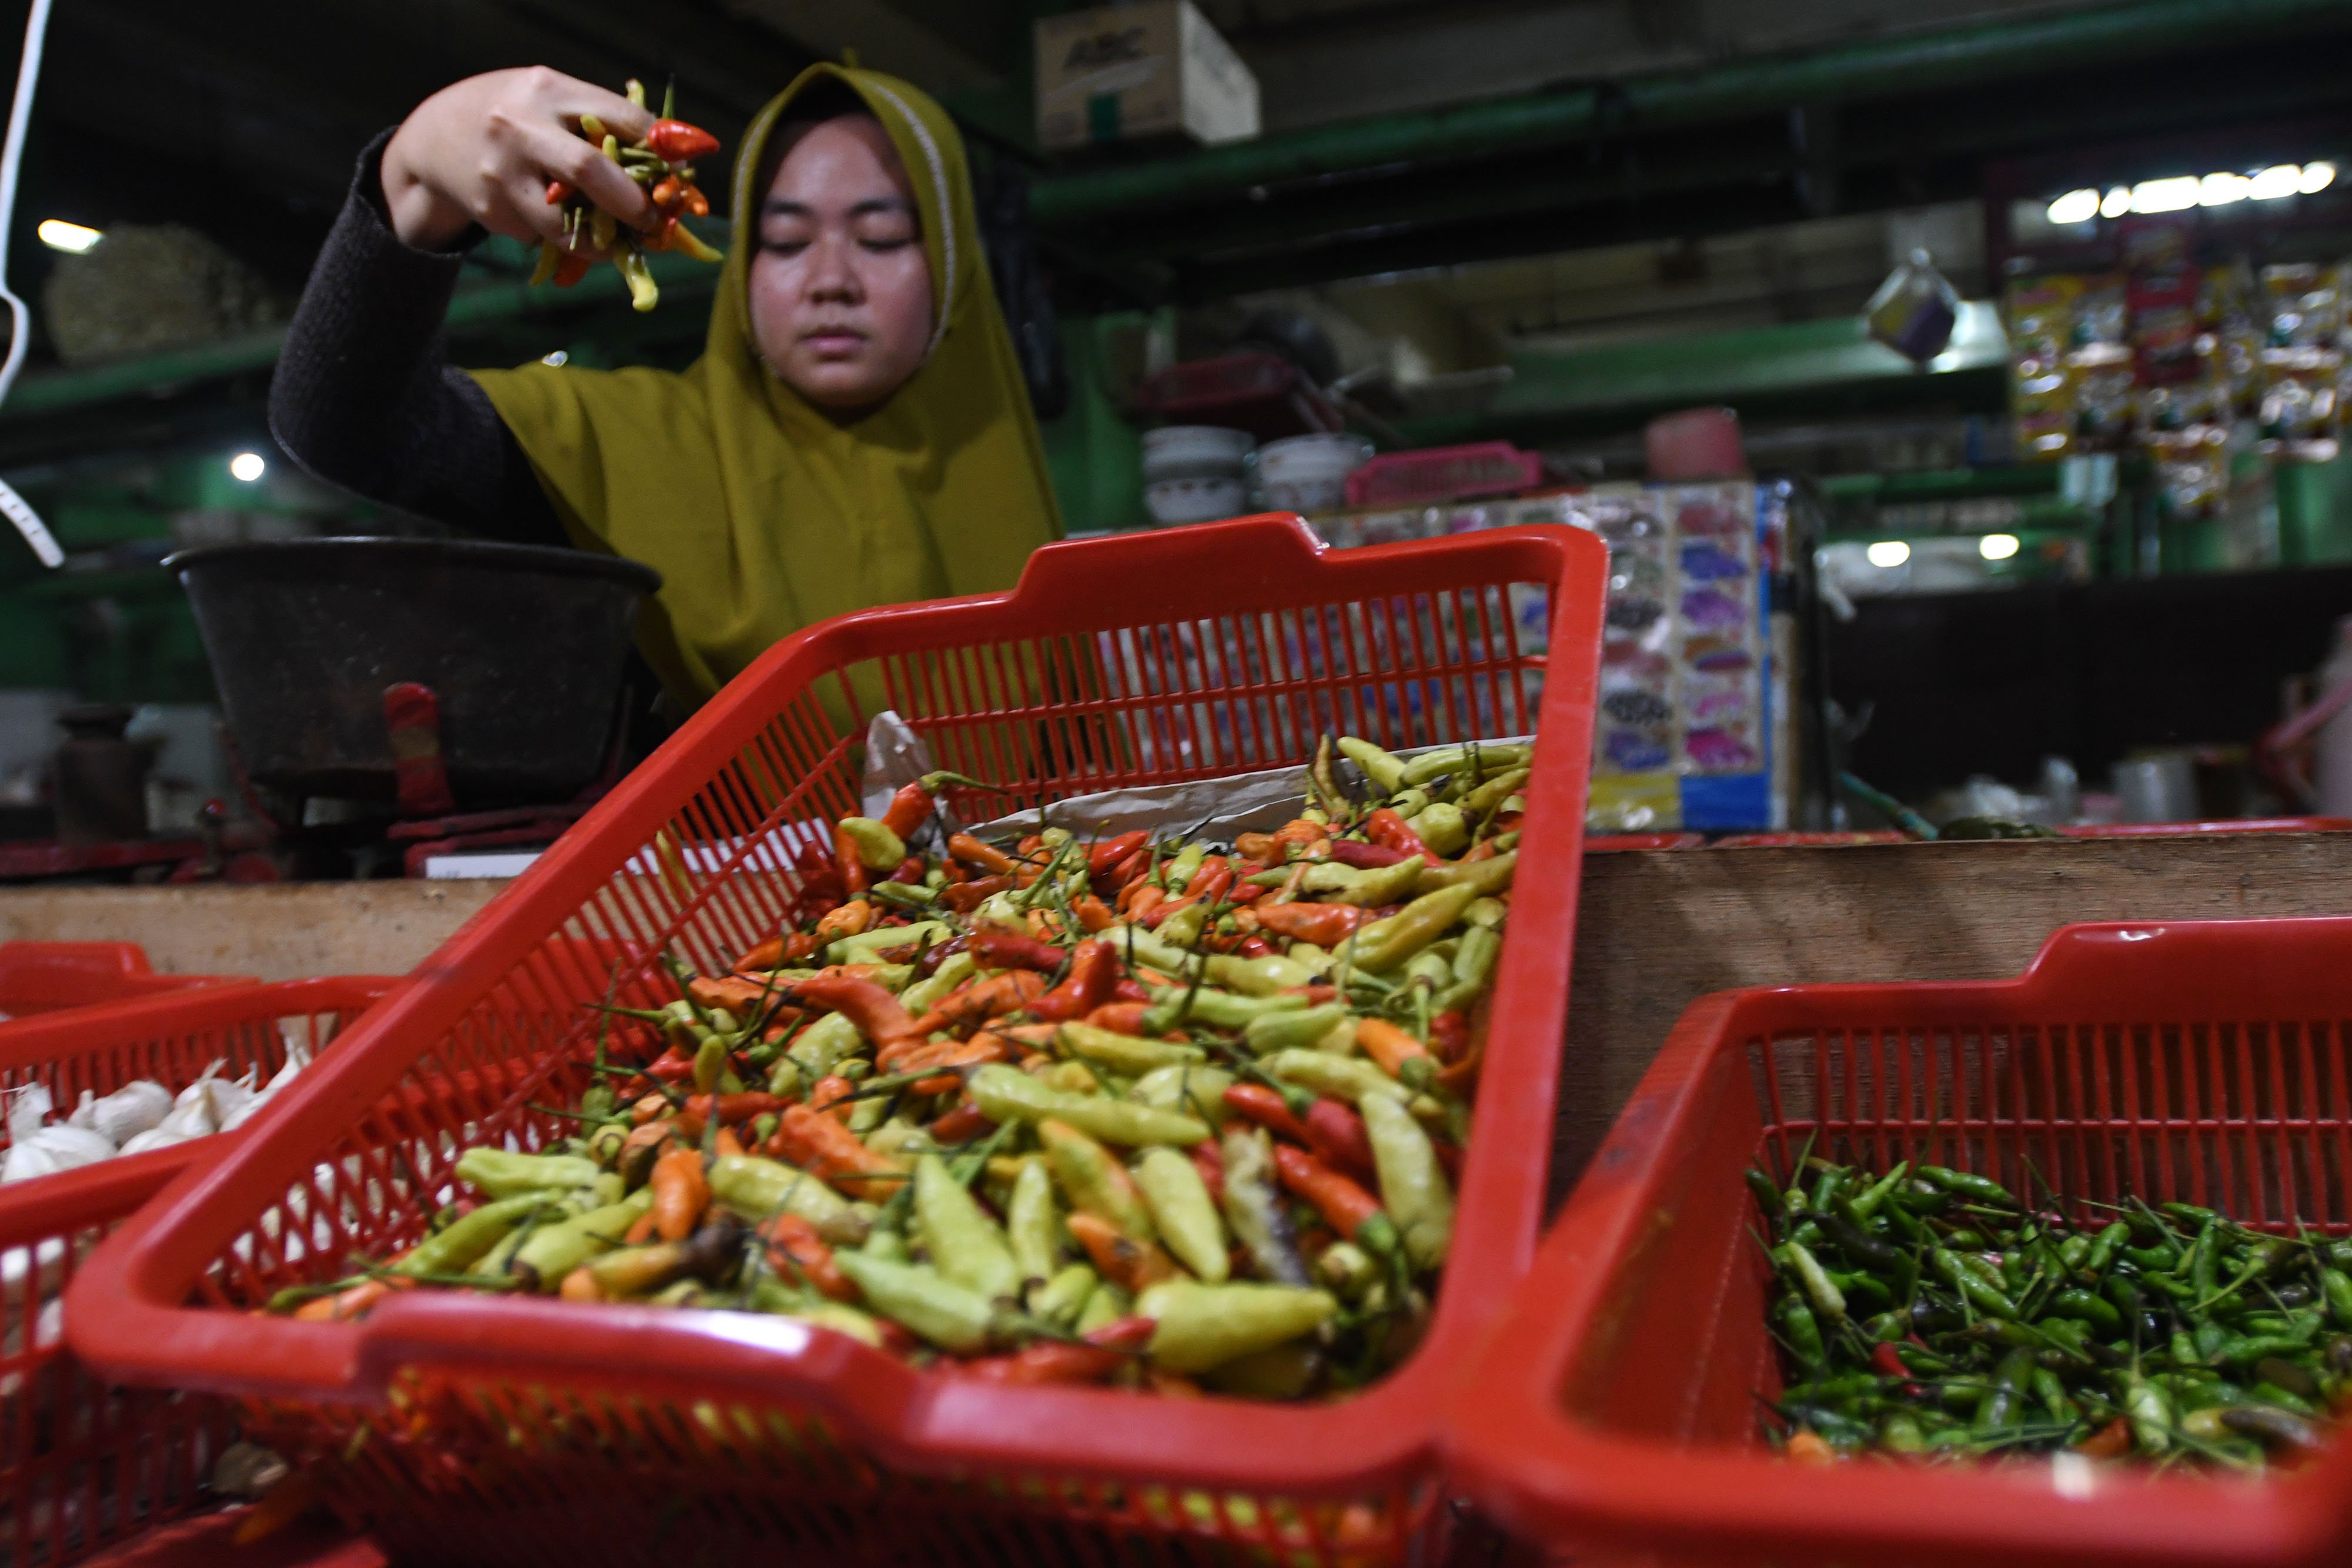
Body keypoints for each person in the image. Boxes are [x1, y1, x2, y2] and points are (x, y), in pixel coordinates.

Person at [270, 63, 1063, 709]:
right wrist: (413, 179)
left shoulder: (1012, 501)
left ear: (955, 272)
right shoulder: (632, 448)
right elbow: (351, 426)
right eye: (784, 241)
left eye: (881, 236)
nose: (830, 280)